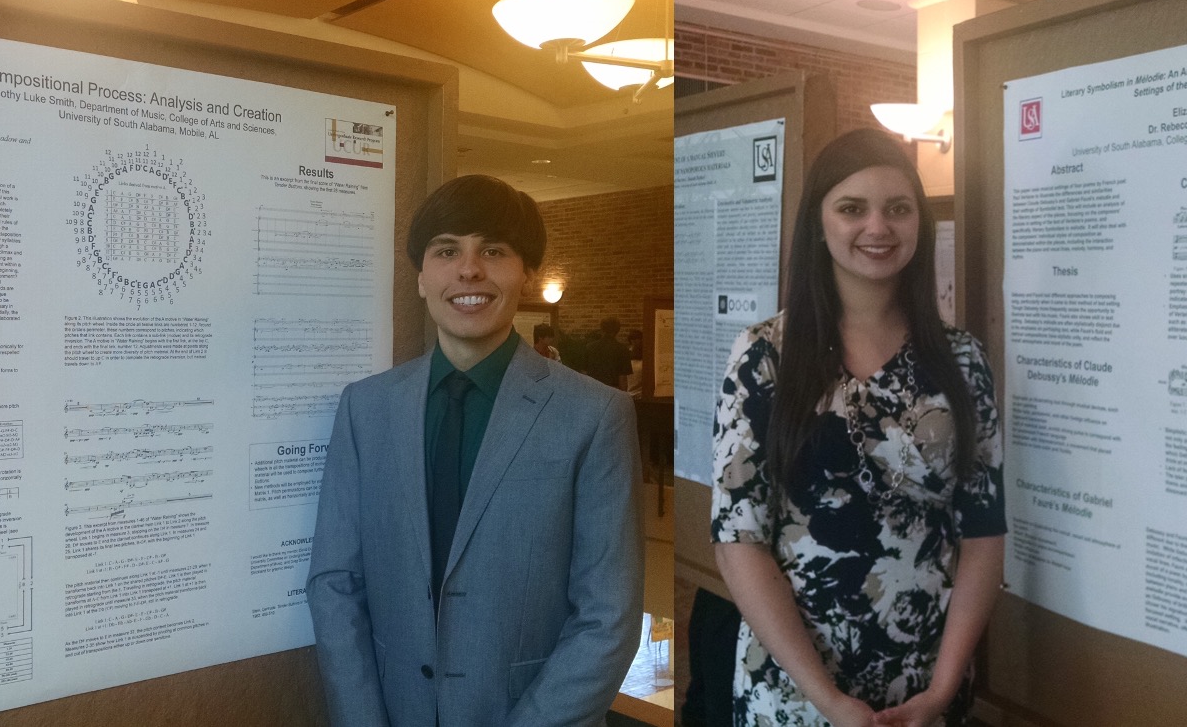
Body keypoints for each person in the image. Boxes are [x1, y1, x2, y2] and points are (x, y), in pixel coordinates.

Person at [308, 175, 643, 727]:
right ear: (421, 277)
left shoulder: (593, 415)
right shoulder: (366, 409)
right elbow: (335, 583)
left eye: (493, 250)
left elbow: (608, 617)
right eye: (447, 251)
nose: (469, 270)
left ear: (526, 273)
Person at [711, 129, 1007, 726]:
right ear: (818, 224)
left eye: (898, 208)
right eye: (852, 208)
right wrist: (831, 702)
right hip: (794, 691)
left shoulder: (961, 360)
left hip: (925, 683)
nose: (879, 227)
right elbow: (738, 539)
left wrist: (943, 689)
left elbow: (982, 533)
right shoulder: (766, 354)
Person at [584, 317, 634, 391]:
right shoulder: (622, 349)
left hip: (593, 389)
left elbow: (584, 372)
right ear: (617, 330)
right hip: (612, 390)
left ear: (602, 328)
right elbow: (622, 379)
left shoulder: (589, 347)